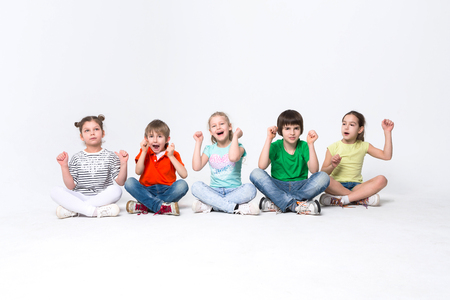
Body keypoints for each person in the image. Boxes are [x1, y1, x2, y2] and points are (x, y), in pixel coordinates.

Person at [249, 109, 329, 215]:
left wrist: (311, 144)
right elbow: (262, 166)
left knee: (323, 176)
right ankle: (296, 205)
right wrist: (269, 139)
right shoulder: (276, 146)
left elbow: (314, 170)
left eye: (296, 128)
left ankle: (279, 203)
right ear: (280, 131)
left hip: (300, 187)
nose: (292, 133)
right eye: (287, 128)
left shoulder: (304, 146)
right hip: (278, 186)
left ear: (301, 130)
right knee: (256, 173)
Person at [51, 115, 128, 219]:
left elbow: (121, 182)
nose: (92, 133)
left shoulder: (110, 156)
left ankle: (75, 210)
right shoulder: (76, 158)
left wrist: (123, 163)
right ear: (82, 136)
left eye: (96, 129)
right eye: (87, 130)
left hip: (102, 197)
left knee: (117, 190)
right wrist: (64, 165)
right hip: (80, 196)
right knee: (55, 191)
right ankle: (93, 211)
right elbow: (70, 186)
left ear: (103, 133)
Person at [319, 111, 394, 207]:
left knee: (382, 179)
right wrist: (332, 166)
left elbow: (386, 156)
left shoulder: (364, 146)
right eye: (344, 123)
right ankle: (359, 199)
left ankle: (343, 199)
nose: (346, 127)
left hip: (357, 187)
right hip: (337, 187)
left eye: (352, 125)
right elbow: (322, 174)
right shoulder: (333, 147)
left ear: (360, 129)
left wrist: (387, 132)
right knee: (325, 179)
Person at [191, 112, 258, 215]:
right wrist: (198, 142)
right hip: (214, 191)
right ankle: (235, 207)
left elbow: (233, 157)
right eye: (214, 126)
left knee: (251, 189)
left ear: (229, 126)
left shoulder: (238, 146)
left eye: (221, 124)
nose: (218, 127)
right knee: (196, 186)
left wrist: (235, 136)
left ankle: (212, 206)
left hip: (234, 191)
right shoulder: (209, 149)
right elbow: (196, 167)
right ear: (211, 131)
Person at [124, 119, 188, 216]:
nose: (155, 140)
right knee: (129, 182)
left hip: (166, 190)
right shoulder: (145, 152)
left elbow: (184, 175)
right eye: (151, 136)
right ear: (146, 139)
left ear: (167, 139)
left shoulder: (173, 153)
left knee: (182, 185)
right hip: (146, 191)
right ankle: (161, 207)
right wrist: (144, 151)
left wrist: (170, 156)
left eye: (159, 136)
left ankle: (145, 205)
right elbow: (138, 171)